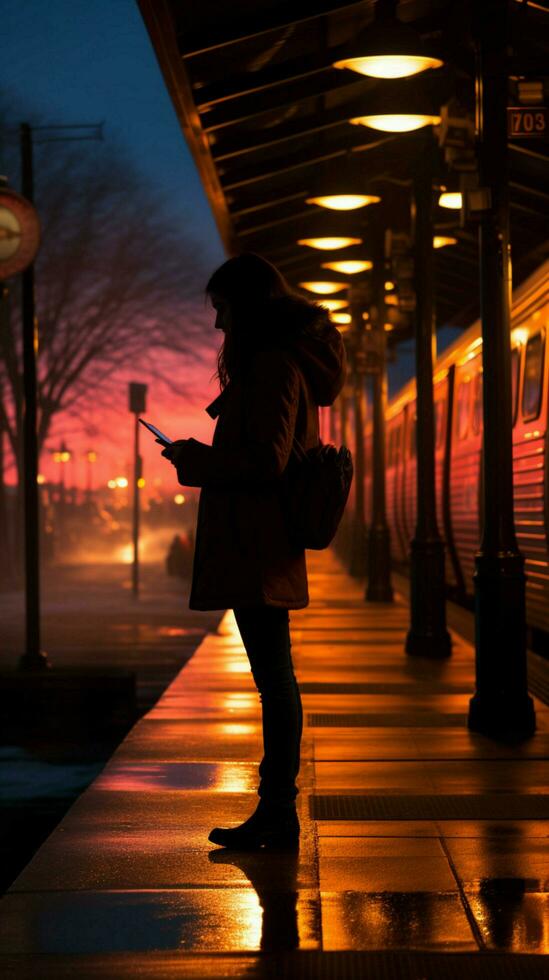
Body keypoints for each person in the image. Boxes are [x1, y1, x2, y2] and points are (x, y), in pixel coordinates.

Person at [160, 253, 346, 849]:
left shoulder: (271, 368)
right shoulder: (276, 365)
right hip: (261, 544)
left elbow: (266, 460)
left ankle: (277, 811)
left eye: (222, 309)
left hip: (258, 545)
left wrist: (196, 460)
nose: (218, 326)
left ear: (247, 306)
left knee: (274, 680)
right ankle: (275, 809)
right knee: (275, 678)